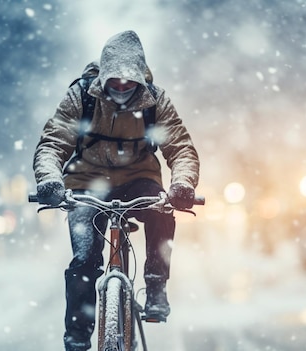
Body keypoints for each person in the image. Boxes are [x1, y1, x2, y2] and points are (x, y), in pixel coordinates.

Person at [32, 30, 200, 351]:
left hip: (139, 178)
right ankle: (78, 335)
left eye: (129, 82)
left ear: (139, 78)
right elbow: (53, 144)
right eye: (115, 81)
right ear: (104, 76)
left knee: (161, 212)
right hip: (86, 182)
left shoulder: (155, 101)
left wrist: (182, 184)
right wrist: (50, 180)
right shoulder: (80, 97)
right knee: (84, 258)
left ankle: (155, 286)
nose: (122, 88)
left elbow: (180, 148)